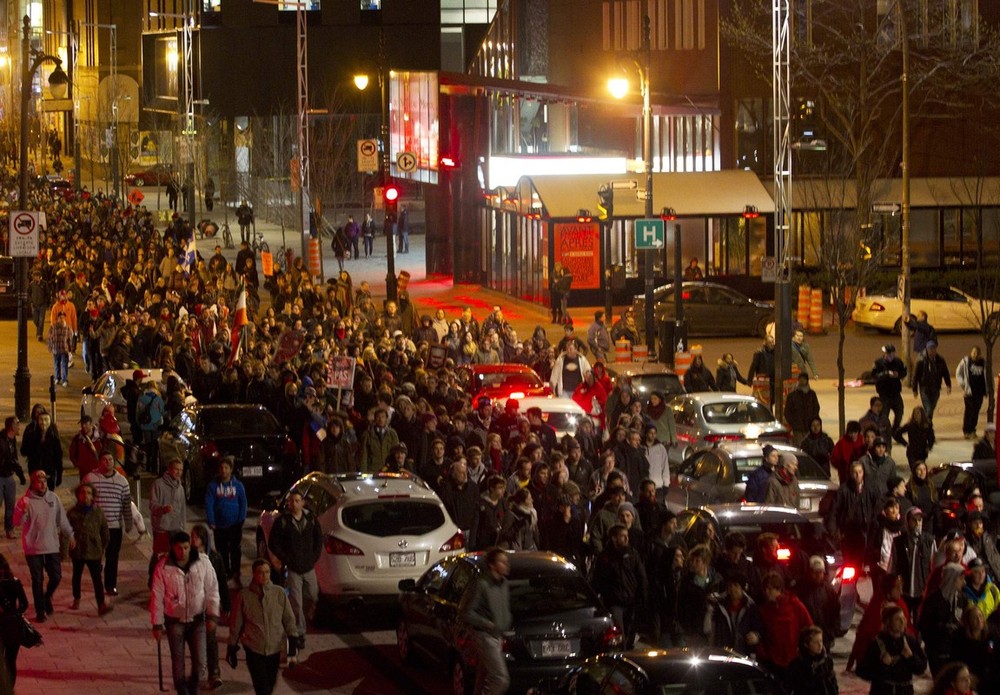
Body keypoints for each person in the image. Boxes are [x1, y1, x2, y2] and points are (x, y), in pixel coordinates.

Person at [151, 531, 222, 695]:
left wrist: (212, 614)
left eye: (186, 547)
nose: (183, 552)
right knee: (178, 663)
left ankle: (194, 686)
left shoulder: (202, 562)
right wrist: (157, 623)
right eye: (179, 548)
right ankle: (182, 690)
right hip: (174, 620)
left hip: (198, 619)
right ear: (172, 548)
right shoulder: (163, 567)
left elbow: (212, 588)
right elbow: (157, 596)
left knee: (200, 662)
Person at [227, 559, 298, 695]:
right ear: (254, 574)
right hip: (254, 650)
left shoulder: (279, 593)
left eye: (267, 572)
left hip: (275, 649)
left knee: (270, 686)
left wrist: (292, 647)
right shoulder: (244, 596)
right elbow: (236, 624)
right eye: (260, 572)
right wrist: (232, 646)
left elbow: (289, 620)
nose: (264, 576)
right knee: (262, 689)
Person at [13, 470, 75, 623]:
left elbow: (62, 520)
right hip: (33, 548)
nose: (42, 484)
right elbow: (17, 522)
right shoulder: (25, 501)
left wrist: (71, 535)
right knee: (37, 580)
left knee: (56, 576)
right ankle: (40, 611)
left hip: (51, 545)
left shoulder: (53, 498)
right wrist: (22, 511)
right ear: (32, 483)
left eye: (44, 481)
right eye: (39, 481)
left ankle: (46, 598)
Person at [266, 488, 323, 652]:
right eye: (291, 501)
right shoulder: (282, 521)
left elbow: (318, 538)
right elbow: (273, 543)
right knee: (296, 602)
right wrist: (285, 558)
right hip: (292, 569)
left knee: (312, 596)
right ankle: (298, 634)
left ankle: (299, 623)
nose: (293, 504)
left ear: (303, 502)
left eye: (297, 501)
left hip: (308, 566)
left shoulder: (310, 519)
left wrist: (314, 556)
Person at [459, 547, 513, 695]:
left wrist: (504, 626)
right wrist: (488, 624)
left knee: (483, 677)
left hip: (497, 636)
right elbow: (466, 612)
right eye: (502, 562)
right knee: (501, 679)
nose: (507, 565)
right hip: (484, 636)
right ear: (492, 565)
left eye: (506, 562)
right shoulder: (481, 584)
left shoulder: (504, 584)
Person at [590, 524, 648, 649]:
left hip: (631, 600)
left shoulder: (632, 554)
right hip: (614, 602)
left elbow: (641, 576)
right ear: (614, 538)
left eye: (627, 536)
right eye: (623, 536)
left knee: (630, 632)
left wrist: (642, 596)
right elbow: (597, 579)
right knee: (619, 632)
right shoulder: (605, 557)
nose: (627, 539)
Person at [83, 451, 132, 597]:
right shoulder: (90, 478)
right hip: (96, 527)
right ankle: (97, 577)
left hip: (114, 526)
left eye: (110, 459)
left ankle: (111, 585)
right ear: (100, 462)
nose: (108, 462)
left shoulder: (122, 481)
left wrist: (128, 522)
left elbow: (126, 505)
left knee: (112, 557)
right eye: (104, 460)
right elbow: (83, 500)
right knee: (95, 556)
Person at [190, 524, 229, 691]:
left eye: (196, 537)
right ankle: (198, 672)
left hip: (210, 605)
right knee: (196, 641)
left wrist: (226, 603)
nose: (193, 540)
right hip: (194, 607)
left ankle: (214, 673)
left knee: (211, 640)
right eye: (191, 536)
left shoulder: (215, 558)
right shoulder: (188, 557)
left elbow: (221, 581)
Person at [857, 604, 927, 695]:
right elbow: (862, 671)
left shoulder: (910, 641)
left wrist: (910, 657)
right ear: (887, 622)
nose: (902, 621)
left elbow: (921, 668)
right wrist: (882, 665)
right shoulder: (877, 643)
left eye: (903, 618)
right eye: (897, 619)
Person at [756, 571, 813, 679]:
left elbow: (809, 626)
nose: (767, 592)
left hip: (793, 661)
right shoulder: (765, 610)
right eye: (765, 589)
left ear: (779, 589)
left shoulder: (794, 604)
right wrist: (764, 654)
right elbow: (761, 632)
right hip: (773, 662)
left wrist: (803, 650)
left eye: (770, 589)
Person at [66, 482, 111, 615]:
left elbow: (105, 532)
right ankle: (77, 598)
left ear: (93, 496)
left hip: (94, 550)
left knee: (97, 578)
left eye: (88, 493)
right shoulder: (72, 512)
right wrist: (66, 547)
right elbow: (66, 531)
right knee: (77, 575)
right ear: (78, 495)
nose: (85, 495)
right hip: (78, 550)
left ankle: (101, 604)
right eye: (82, 492)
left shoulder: (98, 512)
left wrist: (101, 546)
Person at [205, 456, 248, 587]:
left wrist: (241, 519)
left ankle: (236, 572)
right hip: (219, 525)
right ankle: (225, 572)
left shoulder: (238, 486)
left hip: (235, 525)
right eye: (222, 468)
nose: (224, 470)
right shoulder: (213, 486)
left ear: (231, 470)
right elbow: (209, 503)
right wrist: (211, 520)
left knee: (235, 550)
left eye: (226, 468)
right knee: (222, 550)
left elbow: (243, 502)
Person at [890, 506, 936, 615]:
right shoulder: (899, 542)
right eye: (914, 520)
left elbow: (933, 567)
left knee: (919, 623)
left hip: (922, 591)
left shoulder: (929, 541)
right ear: (907, 522)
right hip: (904, 591)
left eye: (920, 520)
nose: (917, 523)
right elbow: (893, 566)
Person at [0, 553, 29, 689]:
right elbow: (24, 604)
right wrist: (14, 614)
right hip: (13, 627)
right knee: (11, 660)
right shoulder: (15, 581)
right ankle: (10, 688)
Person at [784, 625, 838, 695]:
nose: (820, 645)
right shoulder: (796, 665)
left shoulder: (827, 661)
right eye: (815, 642)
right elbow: (789, 688)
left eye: (821, 641)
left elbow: (833, 684)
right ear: (806, 644)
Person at [956, 346, 991, 439]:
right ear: (971, 353)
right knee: (969, 411)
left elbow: (988, 376)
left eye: (977, 353)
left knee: (976, 412)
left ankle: (972, 430)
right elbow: (958, 373)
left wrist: (988, 389)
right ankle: (967, 430)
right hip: (969, 393)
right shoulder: (966, 361)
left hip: (979, 393)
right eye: (974, 352)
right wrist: (963, 384)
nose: (975, 354)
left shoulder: (983, 363)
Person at [0, 418, 26, 540]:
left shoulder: (12, 440)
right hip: (0, 476)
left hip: (8, 476)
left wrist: (20, 474)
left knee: (10, 505)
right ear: (11, 426)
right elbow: (5, 460)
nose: (19, 427)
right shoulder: (1, 440)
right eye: (17, 424)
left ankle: (9, 529)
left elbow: (14, 459)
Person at [913, 341, 951, 422]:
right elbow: (915, 376)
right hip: (924, 388)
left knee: (931, 409)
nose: (932, 351)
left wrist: (948, 385)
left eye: (933, 349)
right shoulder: (921, 360)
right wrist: (915, 389)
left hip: (936, 388)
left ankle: (926, 423)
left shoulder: (940, 360)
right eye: (930, 349)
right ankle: (927, 424)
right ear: (927, 349)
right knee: (929, 409)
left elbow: (945, 373)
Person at [872, 344, 907, 430]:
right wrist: (886, 374)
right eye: (888, 354)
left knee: (899, 413)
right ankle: (885, 431)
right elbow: (874, 376)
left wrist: (898, 374)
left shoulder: (898, 362)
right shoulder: (878, 363)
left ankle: (894, 429)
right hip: (884, 394)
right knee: (884, 415)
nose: (890, 356)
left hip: (896, 393)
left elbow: (904, 372)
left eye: (892, 354)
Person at [784, 373, 821, 444]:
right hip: (797, 428)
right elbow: (787, 412)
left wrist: (813, 421)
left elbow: (816, 408)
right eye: (801, 379)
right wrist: (793, 423)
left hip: (809, 427)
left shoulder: (812, 394)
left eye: (804, 379)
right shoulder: (792, 395)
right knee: (800, 446)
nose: (802, 381)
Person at [747, 331, 776, 406]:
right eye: (770, 342)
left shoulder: (776, 352)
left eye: (773, 342)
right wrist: (750, 381)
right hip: (763, 380)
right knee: (764, 399)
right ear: (765, 343)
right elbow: (753, 366)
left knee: (773, 399)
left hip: (773, 379)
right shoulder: (759, 353)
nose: (772, 344)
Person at [47, 311, 73, 387]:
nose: (61, 319)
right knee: (56, 364)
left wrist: (70, 348)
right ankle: (57, 378)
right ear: (57, 318)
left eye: (63, 317)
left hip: (64, 349)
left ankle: (64, 379)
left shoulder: (68, 328)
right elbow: (49, 338)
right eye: (60, 317)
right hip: (56, 349)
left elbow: (70, 339)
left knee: (64, 365)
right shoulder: (53, 327)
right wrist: (50, 347)